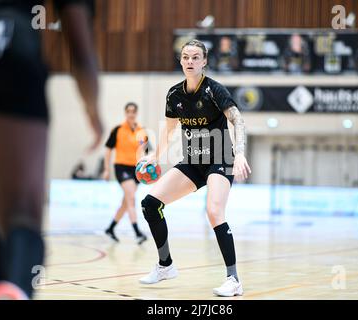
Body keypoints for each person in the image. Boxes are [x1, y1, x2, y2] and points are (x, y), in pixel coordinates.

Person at [0, 0, 102, 300]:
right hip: (10, 46)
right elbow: (78, 38)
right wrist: (92, 106)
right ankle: (14, 292)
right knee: (22, 216)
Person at [138, 39, 251, 297]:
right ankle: (165, 265)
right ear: (181, 61)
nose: (190, 61)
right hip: (193, 161)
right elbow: (168, 131)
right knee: (150, 203)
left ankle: (233, 280)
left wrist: (241, 153)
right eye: (186, 57)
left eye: (195, 57)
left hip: (220, 159)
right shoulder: (174, 95)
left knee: (213, 211)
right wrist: (155, 157)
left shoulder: (214, 90)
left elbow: (238, 121)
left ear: (204, 62)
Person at [103, 102, 148, 244]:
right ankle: (137, 232)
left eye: (133, 111)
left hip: (136, 170)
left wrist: (145, 169)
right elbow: (108, 150)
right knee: (131, 198)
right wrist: (106, 169)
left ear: (136, 113)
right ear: (125, 113)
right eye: (128, 111)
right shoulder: (117, 130)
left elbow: (145, 152)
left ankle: (110, 229)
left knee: (126, 202)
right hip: (121, 167)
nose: (131, 114)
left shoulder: (142, 131)